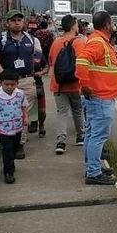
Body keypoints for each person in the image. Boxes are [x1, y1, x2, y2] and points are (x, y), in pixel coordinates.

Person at [76, 11, 117, 185]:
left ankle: (93, 166)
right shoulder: (98, 42)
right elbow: (81, 61)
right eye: (112, 22)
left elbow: (102, 63)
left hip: (100, 96)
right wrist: (84, 84)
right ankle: (93, 173)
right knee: (98, 136)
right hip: (101, 97)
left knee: (92, 134)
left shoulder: (101, 42)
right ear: (106, 24)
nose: (114, 25)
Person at [0, 9, 42, 159]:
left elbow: (37, 57)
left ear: (23, 22)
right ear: (7, 23)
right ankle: (8, 138)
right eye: (13, 20)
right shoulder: (0, 39)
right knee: (8, 112)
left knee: (23, 112)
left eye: (19, 20)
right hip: (7, 83)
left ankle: (20, 143)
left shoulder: (30, 39)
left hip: (26, 80)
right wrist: (3, 73)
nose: (17, 23)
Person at [49, 15, 85, 154]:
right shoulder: (78, 42)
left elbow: (51, 62)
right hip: (75, 84)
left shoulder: (56, 42)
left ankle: (61, 142)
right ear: (73, 26)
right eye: (76, 25)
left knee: (62, 113)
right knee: (78, 110)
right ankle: (80, 136)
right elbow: (82, 63)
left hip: (58, 85)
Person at [0, 69, 28, 184]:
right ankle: (8, 173)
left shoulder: (20, 94)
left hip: (17, 127)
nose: (9, 87)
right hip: (3, 128)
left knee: (14, 148)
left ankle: (11, 164)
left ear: (17, 83)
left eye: (12, 84)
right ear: (1, 83)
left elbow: (24, 106)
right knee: (7, 150)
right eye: (6, 84)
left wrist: (25, 117)